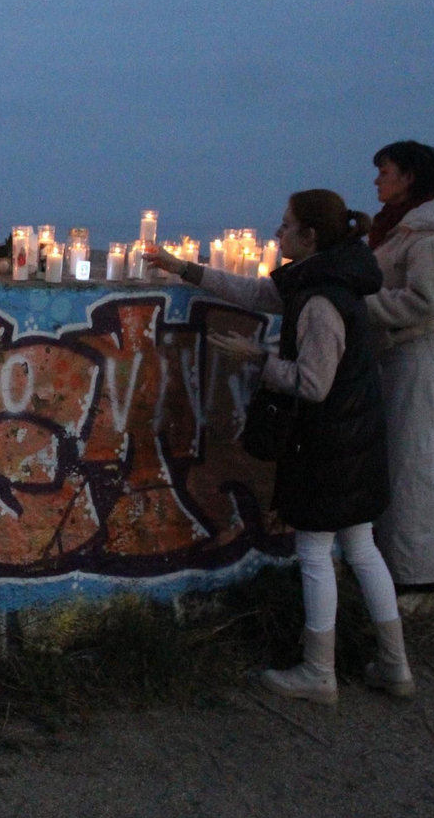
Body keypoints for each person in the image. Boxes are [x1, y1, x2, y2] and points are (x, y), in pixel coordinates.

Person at [146, 190, 414, 704]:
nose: (276, 234)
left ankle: (319, 672)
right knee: (362, 548)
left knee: (314, 551)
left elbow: (313, 383)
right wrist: (185, 269)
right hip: (359, 438)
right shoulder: (330, 280)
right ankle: (396, 665)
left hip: (327, 443)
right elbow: (257, 295)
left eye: (285, 226)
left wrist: (256, 356)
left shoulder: (317, 302)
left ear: (309, 237)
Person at [366, 141, 434, 591]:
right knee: (399, 457)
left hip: (420, 355)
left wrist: (358, 305)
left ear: (408, 178)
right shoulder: (401, 229)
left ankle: (414, 574)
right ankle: (394, 566)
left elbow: (425, 302)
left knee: (415, 461)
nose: (376, 181)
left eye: (384, 172)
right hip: (400, 353)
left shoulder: (429, 239)